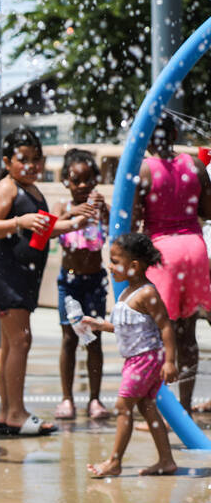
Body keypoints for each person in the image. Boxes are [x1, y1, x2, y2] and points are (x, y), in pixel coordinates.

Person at [0, 126, 96, 436]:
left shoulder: (30, 188)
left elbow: (43, 229)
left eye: (37, 159)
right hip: (6, 279)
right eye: (23, 159)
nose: (31, 165)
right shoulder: (7, 188)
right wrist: (19, 221)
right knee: (20, 342)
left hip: (17, 279)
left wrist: (75, 221)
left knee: (10, 344)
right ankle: (16, 413)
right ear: (8, 162)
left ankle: (8, 413)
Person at [132, 113, 211, 413]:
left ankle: (162, 413)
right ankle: (186, 407)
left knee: (158, 333)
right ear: (175, 131)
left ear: (147, 137)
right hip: (194, 249)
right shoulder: (194, 165)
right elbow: (208, 210)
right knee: (187, 333)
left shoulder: (144, 170)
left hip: (162, 253)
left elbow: (136, 219)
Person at [82, 233, 179, 478]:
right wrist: (100, 325)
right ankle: (166, 460)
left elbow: (166, 326)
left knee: (123, 406)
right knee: (146, 406)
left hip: (146, 358)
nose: (110, 266)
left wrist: (170, 361)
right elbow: (127, 326)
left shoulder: (147, 293)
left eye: (115, 261)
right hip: (136, 360)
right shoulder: (126, 292)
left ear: (134, 265)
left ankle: (115, 462)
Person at [55, 149, 112, 421]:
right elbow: (52, 227)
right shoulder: (62, 209)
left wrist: (106, 209)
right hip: (70, 281)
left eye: (88, 180)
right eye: (76, 180)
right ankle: (67, 398)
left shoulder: (100, 210)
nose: (82, 186)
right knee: (69, 339)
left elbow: (117, 228)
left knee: (95, 340)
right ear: (66, 181)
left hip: (95, 281)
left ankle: (95, 399)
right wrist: (74, 212)